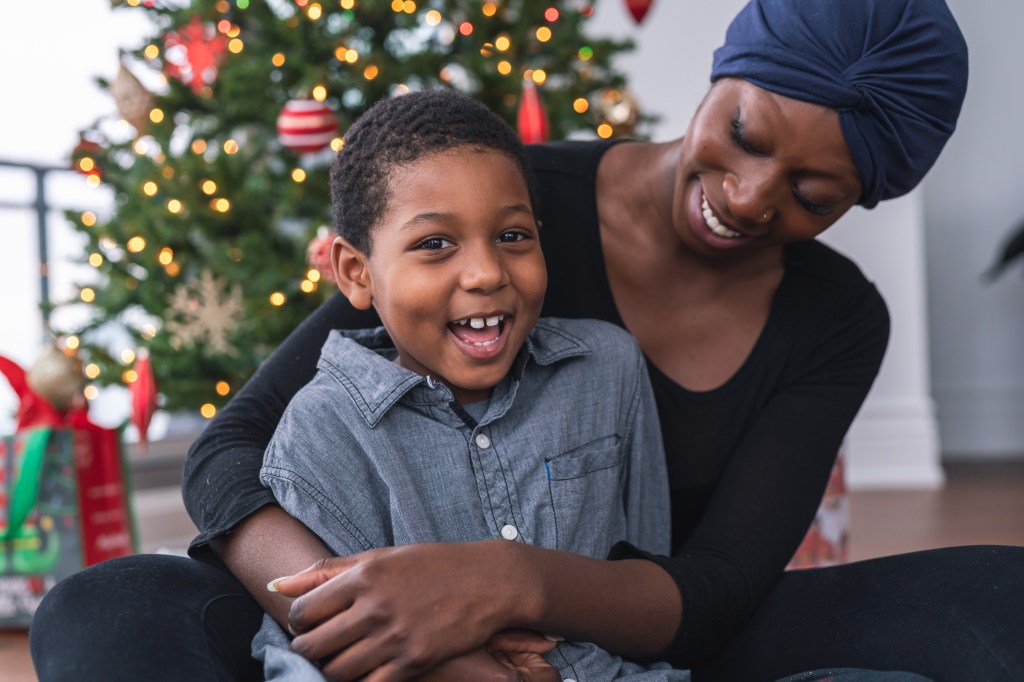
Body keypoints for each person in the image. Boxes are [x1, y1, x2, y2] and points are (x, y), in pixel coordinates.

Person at [32, 0, 1022, 681]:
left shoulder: (835, 318)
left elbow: (718, 584)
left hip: (627, 634)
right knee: (105, 611)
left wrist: (494, 583)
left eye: (814, 196)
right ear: (725, 74)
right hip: (364, 602)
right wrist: (397, 633)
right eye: (746, 135)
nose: (747, 198)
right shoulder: (500, 210)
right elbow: (229, 449)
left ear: (861, 198)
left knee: (996, 597)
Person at [251, 87, 681, 681]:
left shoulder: (607, 367)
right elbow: (332, 648)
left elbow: (648, 571)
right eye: (435, 244)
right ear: (357, 273)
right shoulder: (321, 432)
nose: (486, 273)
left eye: (512, 236)